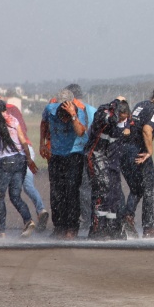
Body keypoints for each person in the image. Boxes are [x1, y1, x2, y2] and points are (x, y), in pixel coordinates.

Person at [0, 89, 49, 232]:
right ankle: (37, 213)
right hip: (23, 154)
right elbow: (22, 135)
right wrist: (29, 160)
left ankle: (0, 227)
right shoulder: (13, 115)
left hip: (8, 158)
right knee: (18, 192)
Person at [40, 88, 96, 239]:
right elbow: (44, 124)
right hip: (56, 155)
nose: (63, 121)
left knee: (71, 192)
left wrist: (72, 115)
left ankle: (72, 228)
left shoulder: (79, 111)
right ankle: (59, 227)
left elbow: (80, 132)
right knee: (56, 193)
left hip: (74, 154)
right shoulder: (50, 109)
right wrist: (42, 144)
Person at [0, 100, 37, 238]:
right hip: (20, 160)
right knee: (15, 196)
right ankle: (28, 220)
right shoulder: (13, 119)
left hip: (5, 162)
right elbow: (23, 140)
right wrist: (29, 159)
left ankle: (1, 231)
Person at [121, 83, 154, 239]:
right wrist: (150, 151)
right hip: (139, 152)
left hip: (124, 151)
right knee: (149, 189)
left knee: (136, 188)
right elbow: (147, 129)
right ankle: (148, 228)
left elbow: (128, 122)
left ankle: (127, 217)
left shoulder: (140, 105)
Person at [83, 97, 131, 240]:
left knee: (114, 193)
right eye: (121, 118)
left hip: (112, 159)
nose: (122, 122)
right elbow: (105, 117)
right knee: (102, 190)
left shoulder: (127, 121)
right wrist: (116, 101)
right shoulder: (103, 114)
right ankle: (97, 228)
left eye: (125, 119)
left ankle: (112, 227)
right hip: (96, 156)